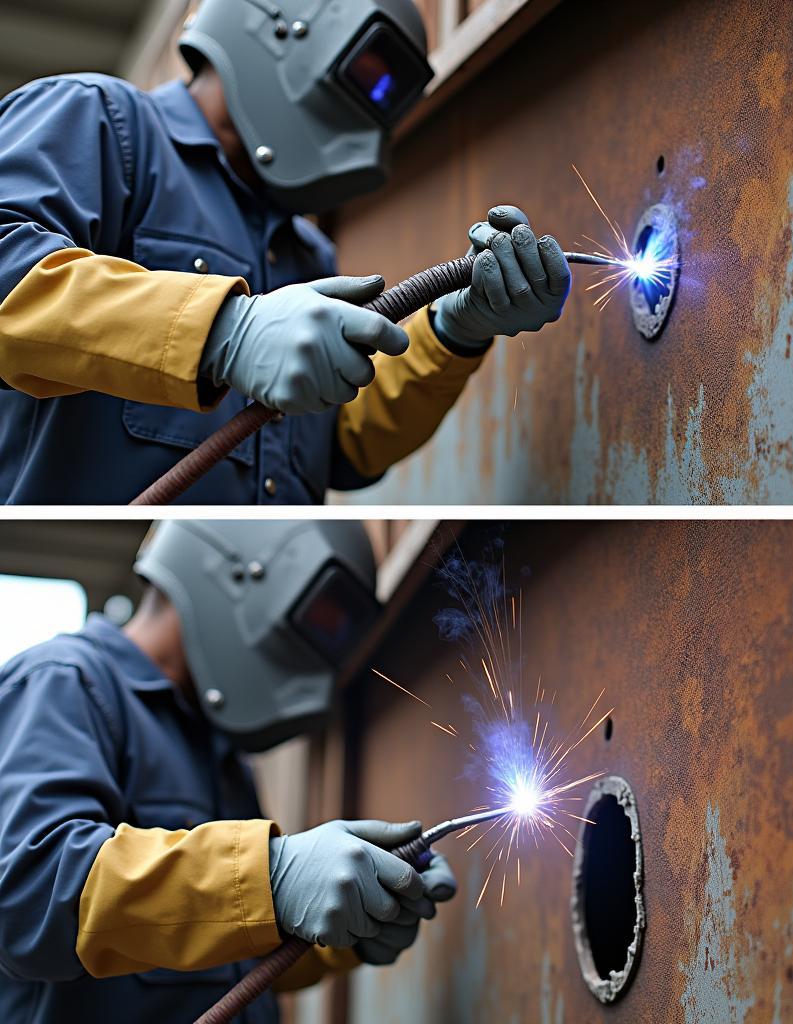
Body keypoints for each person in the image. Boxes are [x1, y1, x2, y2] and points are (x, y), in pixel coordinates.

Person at [0, 0, 571, 504]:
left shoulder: (306, 254)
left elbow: (342, 442)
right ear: (280, 26)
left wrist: (455, 330)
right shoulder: (104, 120)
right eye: (363, 77)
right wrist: (225, 330)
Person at [0, 520, 451, 1022]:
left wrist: (351, 923)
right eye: (312, 624)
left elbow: (215, 941)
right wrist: (270, 877)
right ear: (239, 573)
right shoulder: (64, 682)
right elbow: (28, 894)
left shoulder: (216, 749)